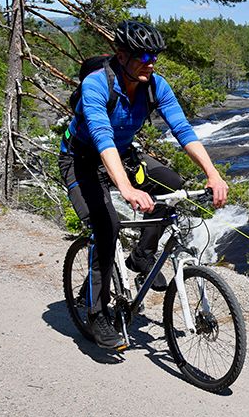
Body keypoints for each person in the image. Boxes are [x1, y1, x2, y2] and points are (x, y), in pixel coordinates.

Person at [59, 20, 229, 350]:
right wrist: (126, 188)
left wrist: (213, 173)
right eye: (143, 56)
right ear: (121, 56)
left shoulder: (154, 85)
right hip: (80, 160)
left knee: (173, 187)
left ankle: (141, 255)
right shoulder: (98, 85)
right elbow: (101, 137)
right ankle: (97, 314)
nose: (150, 63)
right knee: (105, 227)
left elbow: (182, 129)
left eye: (154, 57)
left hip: (122, 155)